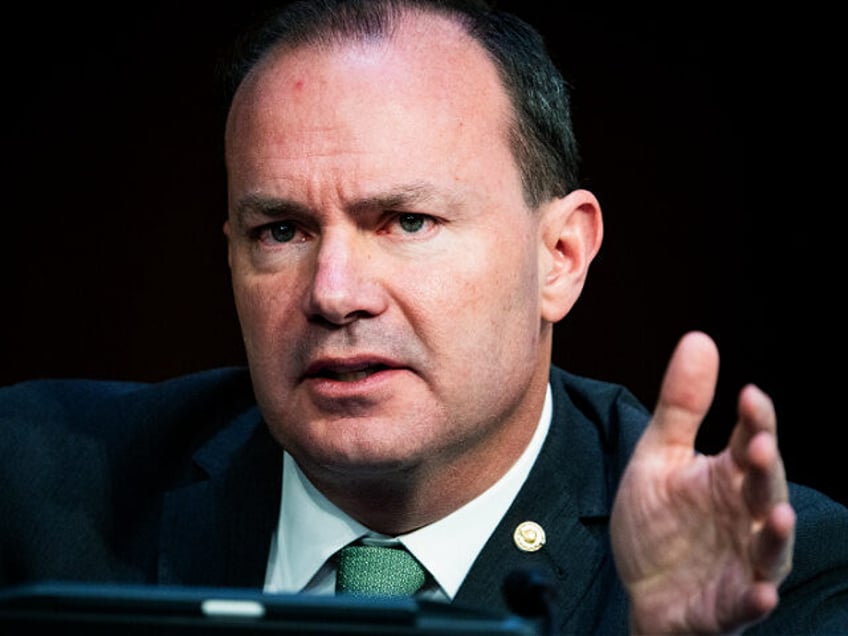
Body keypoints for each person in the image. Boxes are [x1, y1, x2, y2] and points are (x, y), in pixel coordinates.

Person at [1, 0, 846, 634]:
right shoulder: (32, 492)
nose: (334, 293)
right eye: (281, 231)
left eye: (407, 222)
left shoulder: (769, 569)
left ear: (561, 257)